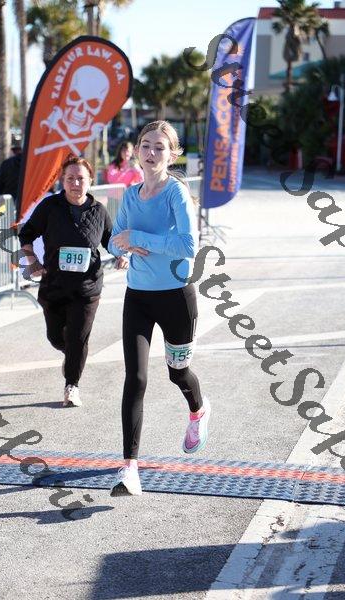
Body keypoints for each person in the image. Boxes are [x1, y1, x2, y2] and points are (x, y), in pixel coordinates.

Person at [108, 120, 210, 496]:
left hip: (176, 296)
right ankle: (129, 469)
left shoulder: (176, 194)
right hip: (137, 296)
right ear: (137, 150)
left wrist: (138, 238)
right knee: (135, 378)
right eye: (146, 145)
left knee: (177, 373)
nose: (151, 153)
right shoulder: (130, 195)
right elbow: (113, 240)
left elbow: (187, 245)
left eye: (160, 147)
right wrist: (122, 245)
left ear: (172, 154)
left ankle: (198, 410)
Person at [19, 156, 127, 407]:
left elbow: (110, 240)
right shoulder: (50, 207)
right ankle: (71, 357)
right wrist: (32, 260)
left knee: (78, 338)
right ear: (63, 181)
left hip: (87, 288)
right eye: (70, 178)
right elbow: (26, 233)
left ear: (90, 181)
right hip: (54, 285)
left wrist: (121, 255)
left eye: (81, 178)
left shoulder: (99, 211)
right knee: (56, 337)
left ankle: (72, 386)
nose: (76, 183)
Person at [0, 144, 22, 215]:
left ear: (12, 152)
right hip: (26, 203)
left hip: (9, 200)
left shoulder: (7, 163)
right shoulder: (30, 163)